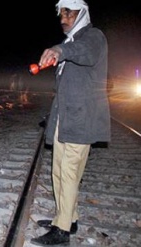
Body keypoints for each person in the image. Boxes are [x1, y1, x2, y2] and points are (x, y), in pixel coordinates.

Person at [31, 0, 111, 246]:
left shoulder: (93, 37)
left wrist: (60, 51)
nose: (64, 18)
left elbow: (86, 52)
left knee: (68, 172)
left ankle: (62, 231)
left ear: (83, 13)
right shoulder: (69, 43)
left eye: (69, 13)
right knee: (58, 170)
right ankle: (68, 217)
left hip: (81, 118)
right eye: (61, 14)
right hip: (65, 116)